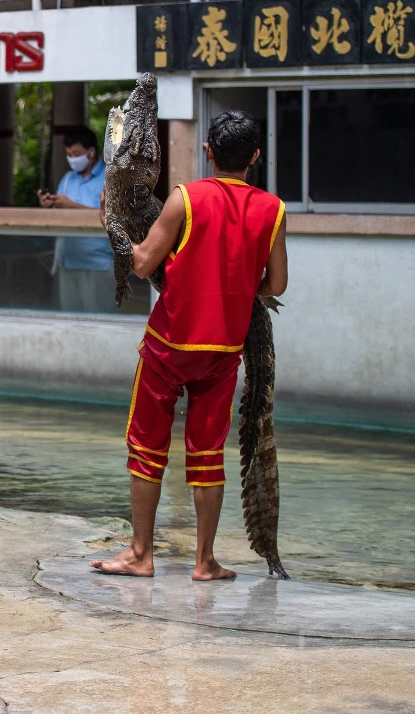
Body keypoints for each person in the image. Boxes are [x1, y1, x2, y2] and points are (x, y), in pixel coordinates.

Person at [92, 110, 288, 582]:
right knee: (207, 454)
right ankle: (204, 562)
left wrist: (113, 223)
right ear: (255, 157)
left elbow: (141, 265)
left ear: (209, 153)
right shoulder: (274, 209)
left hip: (169, 344)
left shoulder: (186, 198)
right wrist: (238, 284)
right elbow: (276, 284)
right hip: (223, 351)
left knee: (146, 447)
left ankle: (141, 554)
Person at [36, 127, 114, 313]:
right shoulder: (68, 179)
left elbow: (113, 216)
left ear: (91, 152)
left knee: (99, 319)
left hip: (98, 263)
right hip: (67, 260)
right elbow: (60, 212)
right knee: (70, 318)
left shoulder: (109, 179)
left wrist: (71, 205)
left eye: (76, 153)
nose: (72, 158)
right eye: (69, 154)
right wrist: (50, 204)